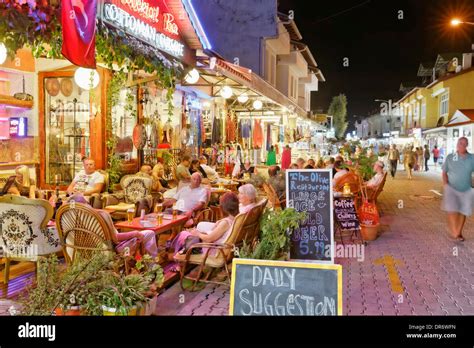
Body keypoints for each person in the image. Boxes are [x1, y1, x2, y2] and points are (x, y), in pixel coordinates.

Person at [69, 194, 158, 257]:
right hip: (109, 251)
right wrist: (134, 233)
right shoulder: (100, 215)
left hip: (81, 252)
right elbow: (114, 238)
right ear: (85, 204)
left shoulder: (68, 218)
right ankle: (152, 269)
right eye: (87, 202)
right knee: (149, 233)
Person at [169, 192, 239, 271]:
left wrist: (197, 233)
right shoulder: (234, 219)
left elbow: (209, 239)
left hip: (213, 251)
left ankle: (175, 257)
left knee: (184, 234)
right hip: (218, 248)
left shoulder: (225, 223)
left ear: (223, 207)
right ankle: (175, 256)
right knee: (189, 235)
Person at [442, 137, 474, 242]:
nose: (462, 145)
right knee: (452, 210)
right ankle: (455, 231)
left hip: (466, 189)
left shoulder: (472, 158)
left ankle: (458, 233)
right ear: (457, 144)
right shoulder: (450, 157)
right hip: (451, 188)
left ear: (467, 145)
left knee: (463, 211)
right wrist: (445, 184)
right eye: (460, 143)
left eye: (464, 143)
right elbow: (444, 172)